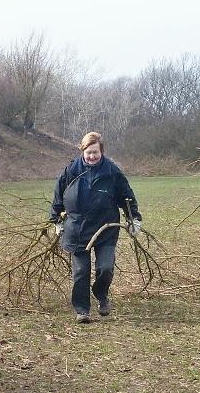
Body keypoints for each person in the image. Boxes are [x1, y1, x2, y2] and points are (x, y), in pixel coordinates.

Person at [49, 132, 142, 324]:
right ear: (83, 151)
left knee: (105, 268)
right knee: (81, 272)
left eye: (96, 153)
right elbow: (58, 197)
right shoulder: (70, 172)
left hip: (105, 228)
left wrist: (134, 219)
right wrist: (57, 220)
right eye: (89, 152)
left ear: (102, 152)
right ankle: (82, 310)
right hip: (77, 229)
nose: (92, 156)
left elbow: (126, 196)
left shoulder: (112, 173)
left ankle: (101, 294)